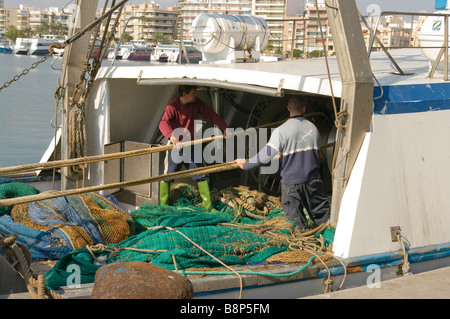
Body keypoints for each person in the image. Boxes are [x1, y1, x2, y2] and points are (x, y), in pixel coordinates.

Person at [235, 95, 330, 231]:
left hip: (291, 184)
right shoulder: (314, 128)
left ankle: (301, 244)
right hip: (313, 181)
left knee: (295, 223)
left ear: (288, 109)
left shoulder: (281, 131)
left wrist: (246, 165)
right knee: (323, 219)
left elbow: (266, 155)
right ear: (304, 109)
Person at [158, 85, 228, 211]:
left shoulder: (196, 103)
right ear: (184, 94)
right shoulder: (172, 107)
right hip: (175, 147)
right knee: (168, 175)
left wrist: (225, 127)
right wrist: (172, 137)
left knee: (200, 174)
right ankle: (164, 206)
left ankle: (208, 206)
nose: (196, 94)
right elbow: (163, 123)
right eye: (193, 92)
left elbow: (211, 114)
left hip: (190, 145)